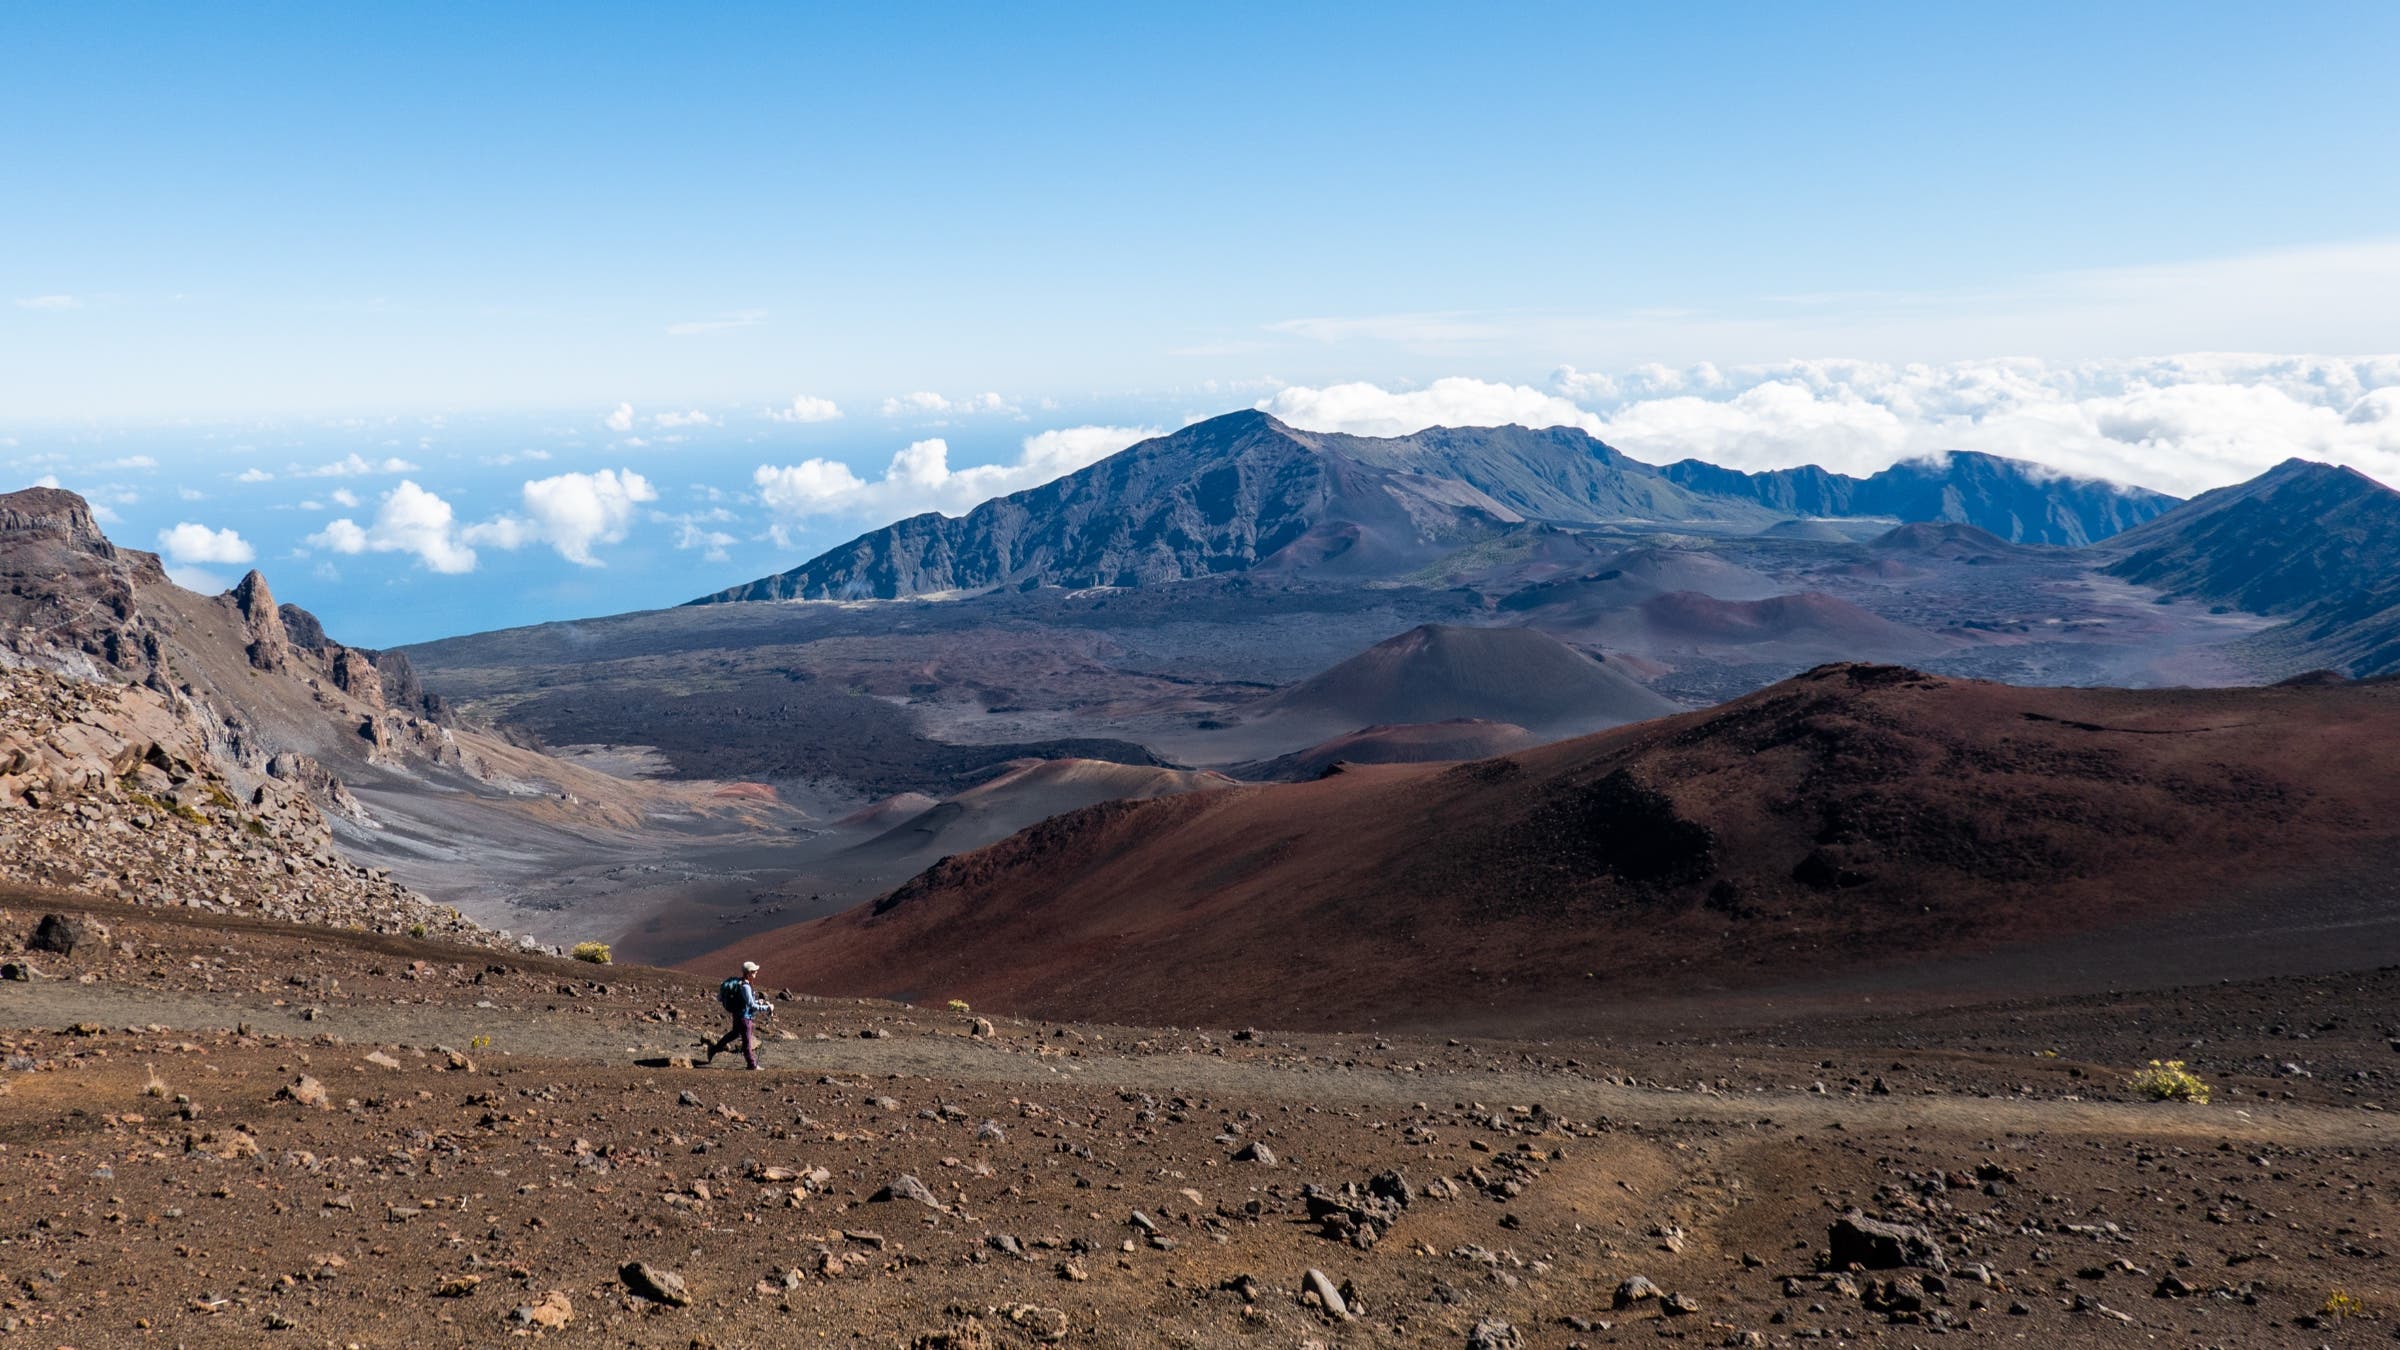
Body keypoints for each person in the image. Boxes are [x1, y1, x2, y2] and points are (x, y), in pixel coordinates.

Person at [706, 960, 772, 1069]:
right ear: (749, 973)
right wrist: (767, 1008)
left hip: (738, 1015)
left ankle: (713, 1049)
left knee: (734, 1034)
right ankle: (751, 1065)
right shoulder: (745, 986)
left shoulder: (741, 983)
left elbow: (747, 1002)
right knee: (747, 1042)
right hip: (744, 1018)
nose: (756, 972)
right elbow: (751, 1005)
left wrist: (758, 1002)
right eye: (754, 971)